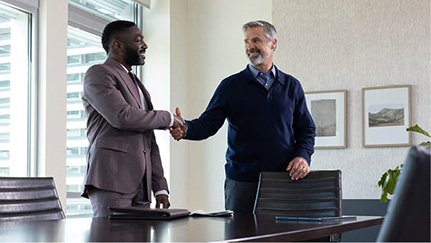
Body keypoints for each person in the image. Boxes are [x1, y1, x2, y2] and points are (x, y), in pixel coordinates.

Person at [170, 20, 316, 213]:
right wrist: (186, 129)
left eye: (256, 40)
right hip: (242, 183)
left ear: (273, 44)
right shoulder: (230, 86)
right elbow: (208, 124)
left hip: (284, 180)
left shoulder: (292, 86)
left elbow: (307, 129)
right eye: (246, 42)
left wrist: (302, 157)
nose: (249, 47)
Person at [81, 20, 185, 217]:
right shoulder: (99, 73)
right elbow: (122, 117)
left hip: (142, 187)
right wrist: (169, 118)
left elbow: (148, 138)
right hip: (112, 179)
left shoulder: (136, 83)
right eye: (138, 40)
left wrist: (160, 186)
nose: (144, 45)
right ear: (118, 45)